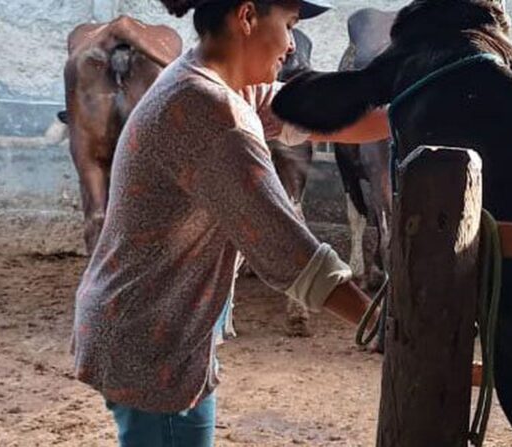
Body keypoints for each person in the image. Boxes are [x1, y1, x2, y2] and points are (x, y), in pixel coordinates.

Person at [70, 0, 390, 445]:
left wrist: (412, 116)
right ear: (246, 17)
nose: (291, 43)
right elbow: (291, 253)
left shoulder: (209, 79)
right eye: (289, 24)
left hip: (172, 334)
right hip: (149, 343)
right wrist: (384, 327)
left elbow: (320, 118)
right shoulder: (212, 114)